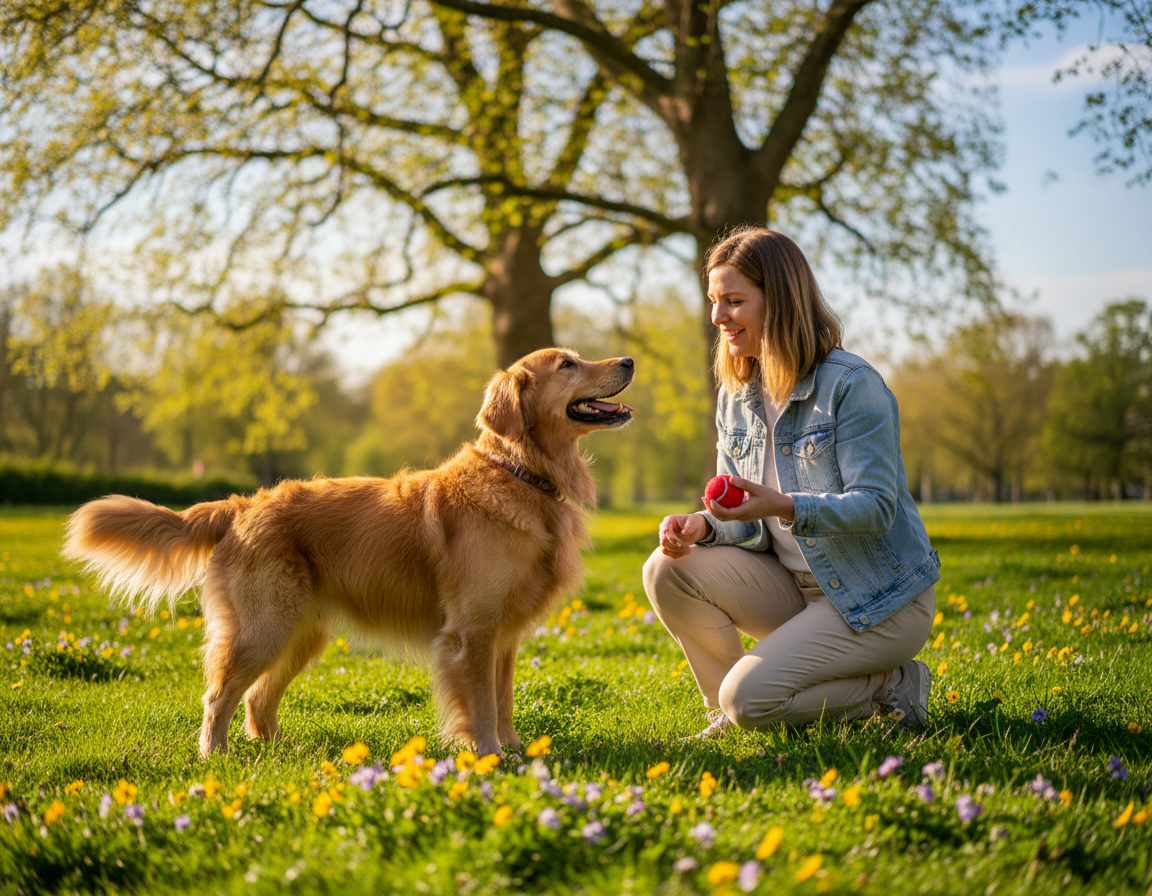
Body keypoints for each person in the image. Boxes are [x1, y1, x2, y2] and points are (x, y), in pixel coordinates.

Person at [643, 226, 940, 738]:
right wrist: (703, 527)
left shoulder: (851, 386)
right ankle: (732, 714)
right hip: (796, 590)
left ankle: (892, 687)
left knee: (752, 700)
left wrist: (784, 504)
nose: (717, 318)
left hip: (877, 600)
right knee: (667, 569)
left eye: (734, 301)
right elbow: (743, 521)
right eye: (714, 301)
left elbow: (876, 507)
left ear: (777, 301)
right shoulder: (736, 396)